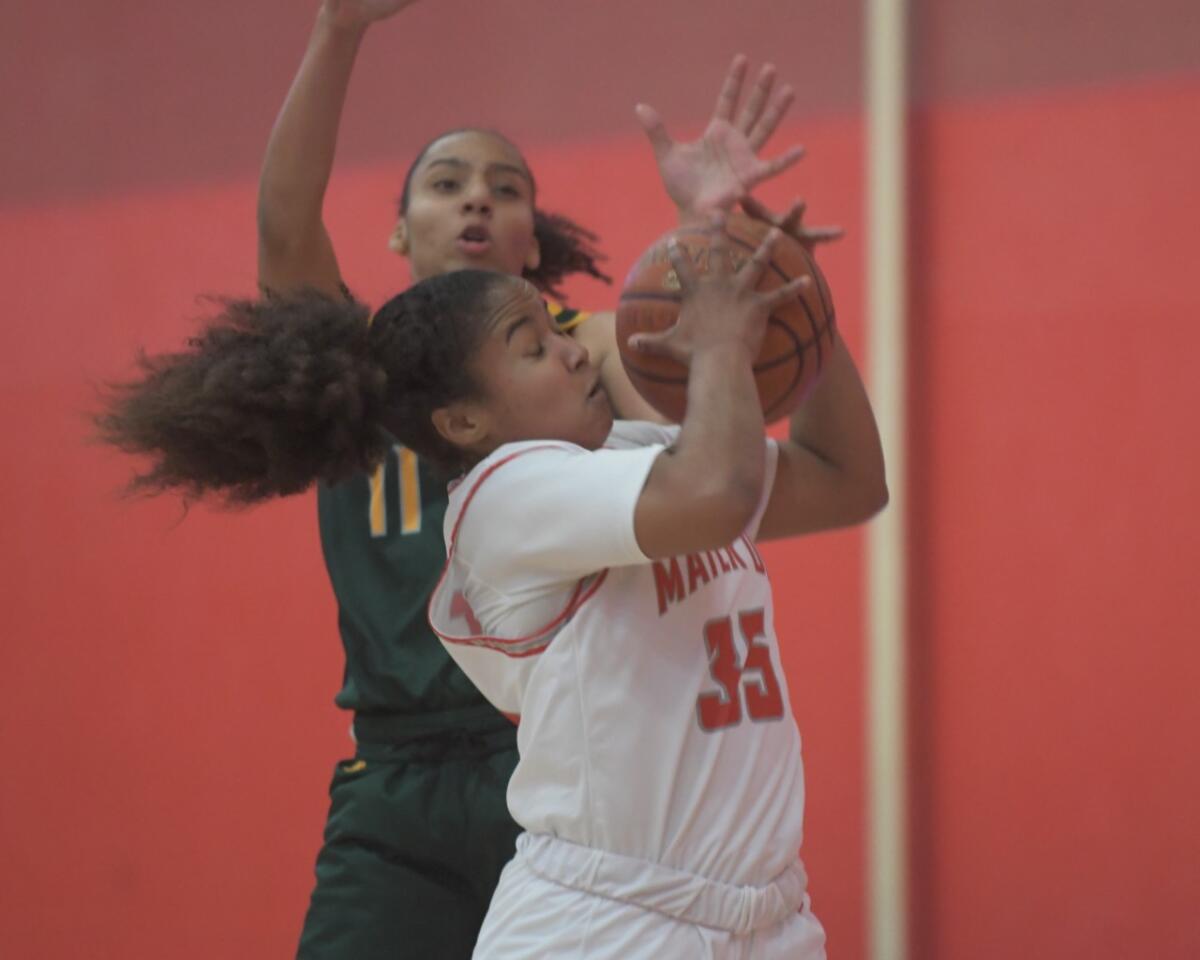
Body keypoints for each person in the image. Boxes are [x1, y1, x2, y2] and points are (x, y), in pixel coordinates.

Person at [96, 209, 886, 957]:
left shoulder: (637, 454)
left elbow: (847, 481)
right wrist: (720, 345)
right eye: (532, 345)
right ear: (464, 421)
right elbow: (717, 494)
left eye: (556, 331)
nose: (576, 350)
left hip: (768, 913)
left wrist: (797, 305)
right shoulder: (504, 498)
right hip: (608, 926)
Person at [250, 0, 821, 956]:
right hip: (399, 773)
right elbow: (282, 226)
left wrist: (703, 241)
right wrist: (336, 31)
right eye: (447, 182)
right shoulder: (353, 367)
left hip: (560, 769)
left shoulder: (585, 357)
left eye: (505, 187)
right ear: (398, 232)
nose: (477, 198)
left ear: (535, 237)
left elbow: (709, 439)